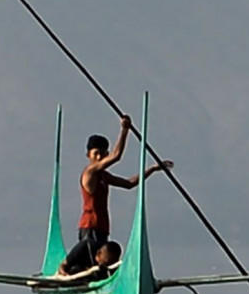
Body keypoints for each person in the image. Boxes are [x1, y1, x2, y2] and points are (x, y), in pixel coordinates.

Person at [61, 114, 170, 276]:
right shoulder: (89, 173)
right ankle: (66, 267)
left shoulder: (104, 176)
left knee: (101, 263)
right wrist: (124, 130)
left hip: (102, 228)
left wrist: (152, 169)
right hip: (90, 226)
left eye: (103, 154)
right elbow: (117, 156)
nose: (99, 157)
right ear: (88, 155)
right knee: (90, 258)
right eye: (95, 153)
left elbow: (129, 183)